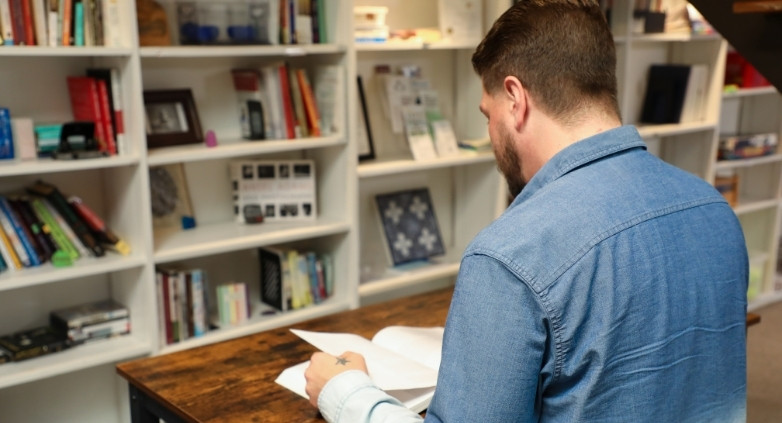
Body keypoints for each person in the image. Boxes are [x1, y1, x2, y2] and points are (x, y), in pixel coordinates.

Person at [305, 1, 749, 422]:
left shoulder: (511, 255)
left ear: (515, 99)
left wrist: (345, 392)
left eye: (487, 114)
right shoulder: (714, 209)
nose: (491, 131)